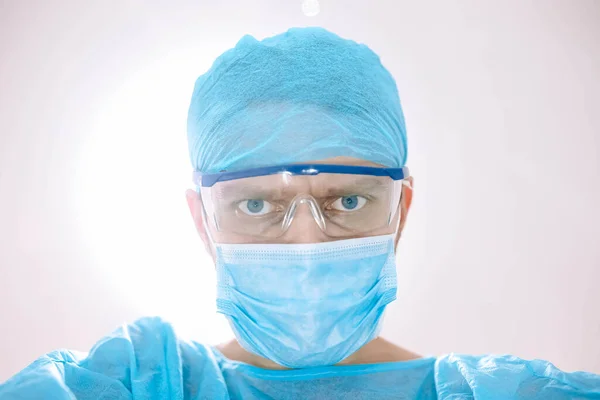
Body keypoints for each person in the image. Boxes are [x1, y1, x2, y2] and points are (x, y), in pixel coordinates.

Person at [1, 26, 599, 400]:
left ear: (401, 212)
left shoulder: (505, 393)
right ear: (202, 222)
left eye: (347, 200)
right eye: (257, 203)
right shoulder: (134, 384)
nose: (306, 243)